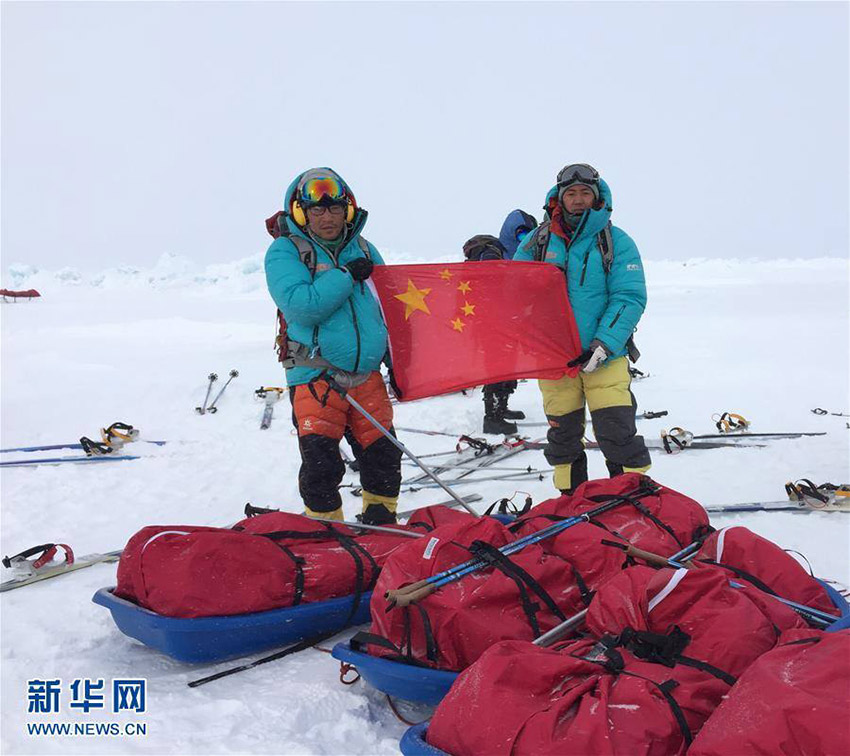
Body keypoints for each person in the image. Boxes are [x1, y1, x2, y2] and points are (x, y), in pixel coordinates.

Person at [264, 168, 401, 524]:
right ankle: (328, 535)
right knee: (322, 467)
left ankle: (382, 529)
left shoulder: (366, 250)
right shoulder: (285, 251)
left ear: (348, 210)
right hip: (315, 376)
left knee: (384, 459)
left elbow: (387, 309)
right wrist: (345, 276)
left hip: (366, 374)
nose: (327, 217)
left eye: (335, 209)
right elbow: (302, 306)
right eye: (317, 210)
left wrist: (398, 364)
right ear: (302, 213)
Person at [514, 163, 650, 493]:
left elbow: (629, 297)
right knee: (563, 437)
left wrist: (603, 344)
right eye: (571, 193)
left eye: (584, 193)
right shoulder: (536, 243)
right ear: (559, 197)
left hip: (606, 355)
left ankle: (634, 496)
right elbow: (513, 292)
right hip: (554, 360)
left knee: (616, 431)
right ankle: (570, 499)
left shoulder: (617, 241)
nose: (577, 200)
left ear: (596, 197)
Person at [462, 234, 525, 435]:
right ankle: (493, 417)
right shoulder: (491, 254)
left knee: (501, 367)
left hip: (491, 322)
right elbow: (496, 286)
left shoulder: (488, 255)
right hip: (495, 323)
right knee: (499, 368)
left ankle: (500, 409)